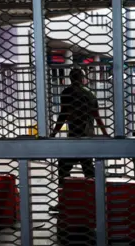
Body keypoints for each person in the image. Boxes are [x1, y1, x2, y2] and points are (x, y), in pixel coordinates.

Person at [49, 68, 108, 213]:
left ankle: (64, 202)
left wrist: (53, 134)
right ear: (82, 78)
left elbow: (63, 115)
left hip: (75, 137)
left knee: (63, 169)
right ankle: (98, 200)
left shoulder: (67, 93)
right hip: (88, 136)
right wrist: (106, 134)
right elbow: (97, 117)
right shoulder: (89, 94)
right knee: (88, 170)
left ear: (70, 78)